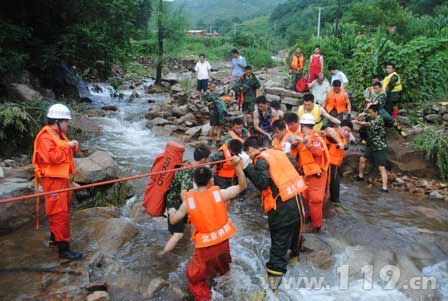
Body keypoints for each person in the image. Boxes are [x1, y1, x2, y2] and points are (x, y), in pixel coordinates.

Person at [168, 158, 247, 301]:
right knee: (224, 271)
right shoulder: (219, 194)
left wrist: (171, 211)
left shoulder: (188, 201)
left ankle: (205, 298)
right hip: (223, 242)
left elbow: (174, 220)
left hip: (205, 248)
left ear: (194, 181)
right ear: (211, 181)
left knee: (193, 278)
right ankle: (228, 291)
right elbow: (242, 186)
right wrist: (237, 166)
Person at [243, 136, 306, 293]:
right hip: (298, 204)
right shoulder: (279, 152)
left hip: (282, 209)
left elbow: (262, 183)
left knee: (278, 246)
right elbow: (297, 167)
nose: (250, 157)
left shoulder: (261, 159)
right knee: (294, 237)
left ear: (251, 149)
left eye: (248, 154)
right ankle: (294, 261)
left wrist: (247, 167)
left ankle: (270, 290)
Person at [32, 104, 83, 260]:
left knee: (61, 209)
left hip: (60, 179)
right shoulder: (45, 137)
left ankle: (55, 238)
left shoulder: (58, 135)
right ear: (57, 121)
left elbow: (67, 151)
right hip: (53, 181)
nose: (68, 124)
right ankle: (64, 249)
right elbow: (54, 158)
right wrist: (68, 146)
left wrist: (71, 145)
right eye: (66, 121)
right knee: (59, 213)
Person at [161, 147, 211, 256]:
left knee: (183, 228)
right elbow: (183, 193)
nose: (209, 161)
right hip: (174, 202)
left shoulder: (187, 164)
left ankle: (183, 248)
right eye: (208, 159)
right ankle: (162, 254)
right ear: (203, 160)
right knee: (178, 234)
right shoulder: (188, 171)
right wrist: (190, 211)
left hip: (176, 201)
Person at [290, 114, 329, 233]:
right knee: (306, 197)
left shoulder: (315, 138)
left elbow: (318, 152)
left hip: (317, 173)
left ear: (302, 125)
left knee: (315, 201)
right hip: (307, 172)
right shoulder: (304, 137)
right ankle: (310, 217)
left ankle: (317, 226)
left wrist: (307, 144)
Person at [353, 104, 389, 192]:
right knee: (362, 159)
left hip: (379, 146)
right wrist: (363, 114)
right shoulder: (372, 115)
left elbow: (367, 124)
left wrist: (357, 122)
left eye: (371, 112)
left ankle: (385, 188)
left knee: (381, 167)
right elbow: (367, 115)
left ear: (376, 112)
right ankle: (360, 176)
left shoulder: (379, 120)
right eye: (369, 112)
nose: (370, 114)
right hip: (370, 144)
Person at [323, 120, 353, 204]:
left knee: (334, 183)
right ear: (339, 127)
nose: (346, 132)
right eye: (345, 130)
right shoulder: (333, 133)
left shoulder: (343, 138)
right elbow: (329, 130)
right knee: (334, 184)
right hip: (328, 164)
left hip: (335, 165)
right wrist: (339, 142)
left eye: (349, 131)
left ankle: (334, 201)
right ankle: (335, 202)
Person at [203, 82, 227, 147]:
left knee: (220, 125)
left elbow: (220, 100)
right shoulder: (207, 94)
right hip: (213, 111)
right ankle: (210, 139)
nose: (213, 88)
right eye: (212, 87)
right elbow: (205, 103)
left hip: (219, 111)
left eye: (214, 87)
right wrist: (213, 102)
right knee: (213, 125)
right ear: (209, 87)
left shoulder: (216, 94)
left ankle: (218, 139)